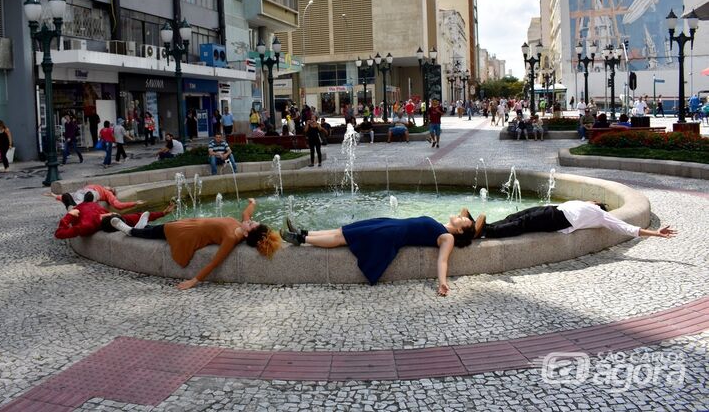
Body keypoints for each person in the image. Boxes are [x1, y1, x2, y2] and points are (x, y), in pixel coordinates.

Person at [280, 212, 482, 296]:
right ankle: (302, 232)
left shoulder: (448, 237)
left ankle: (301, 240)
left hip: (389, 234)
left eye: (465, 221)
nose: (462, 216)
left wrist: (442, 283)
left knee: (343, 237)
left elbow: (443, 260)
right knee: (343, 230)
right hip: (390, 224)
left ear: (462, 231)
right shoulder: (443, 225)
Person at [110, 198, 280, 290]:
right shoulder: (241, 227)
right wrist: (252, 203)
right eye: (252, 221)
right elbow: (246, 213)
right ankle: (142, 227)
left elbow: (215, 262)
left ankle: (130, 231)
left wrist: (193, 281)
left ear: (246, 232)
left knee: (161, 231)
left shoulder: (231, 238)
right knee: (159, 230)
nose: (250, 220)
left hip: (189, 234)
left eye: (251, 224)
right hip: (192, 224)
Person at [480, 200, 675, 240]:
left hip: (559, 218)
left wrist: (655, 233)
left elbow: (627, 228)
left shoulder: (601, 215)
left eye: (595, 200)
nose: (592, 199)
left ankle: (488, 232)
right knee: (516, 216)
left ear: (598, 205)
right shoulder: (583, 203)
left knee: (524, 223)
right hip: (552, 209)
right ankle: (486, 226)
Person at [54, 200, 173, 239]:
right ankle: (134, 229)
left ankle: (134, 229)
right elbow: (59, 234)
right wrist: (69, 215)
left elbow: (135, 216)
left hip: (80, 210)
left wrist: (162, 213)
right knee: (67, 200)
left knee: (132, 220)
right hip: (79, 212)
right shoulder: (87, 225)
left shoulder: (90, 221)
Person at [48, 184, 144, 211]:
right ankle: (72, 209)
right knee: (73, 199)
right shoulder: (101, 187)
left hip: (92, 194)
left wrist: (134, 203)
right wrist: (55, 196)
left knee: (83, 200)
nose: (109, 187)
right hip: (81, 192)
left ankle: (73, 210)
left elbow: (118, 205)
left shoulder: (108, 194)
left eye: (112, 188)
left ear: (111, 191)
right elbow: (71, 197)